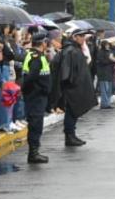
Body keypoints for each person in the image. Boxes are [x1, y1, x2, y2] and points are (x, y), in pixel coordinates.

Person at [50, 27, 97, 147]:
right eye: (80, 36)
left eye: (83, 36)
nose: (82, 38)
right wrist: (71, 84)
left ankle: (72, 135)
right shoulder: (70, 50)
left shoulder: (74, 49)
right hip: (72, 88)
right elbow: (66, 71)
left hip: (76, 87)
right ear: (74, 37)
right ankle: (69, 136)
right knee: (71, 111)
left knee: (73, 112)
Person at [20, 30, 52, 164]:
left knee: (36, 124)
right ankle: (33, 154)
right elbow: (30, 79)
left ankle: (34, 152)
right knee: (35, 125)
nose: (47, 44)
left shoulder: (37, 55)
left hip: (37, 97)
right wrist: (35, 91)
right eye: (46, 42)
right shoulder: (36, 58)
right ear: (42, 43)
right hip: (35, 98)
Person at [94, 38, 115, 109]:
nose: (107, 46)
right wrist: (110, 60)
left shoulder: (110, 51)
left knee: (109, 89)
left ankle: (108, 103)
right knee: (104, 89)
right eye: (106, 45)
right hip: (103, 73)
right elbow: (102, 61)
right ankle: (104, 104)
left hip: (110, 72)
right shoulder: (100, 52)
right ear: (103, 45)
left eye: (108, 44)